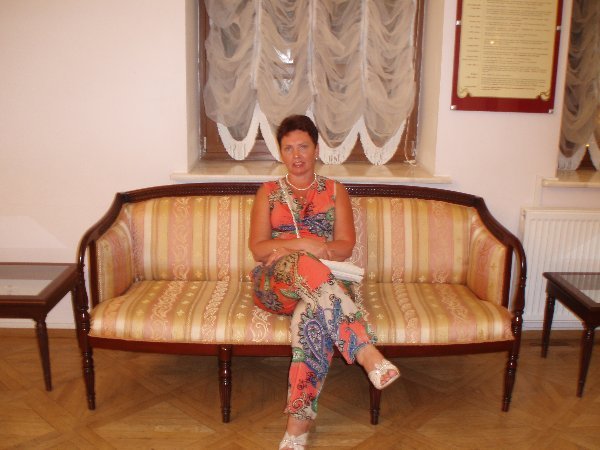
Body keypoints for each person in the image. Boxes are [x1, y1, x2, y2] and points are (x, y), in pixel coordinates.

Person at [249, 115, 400, 450]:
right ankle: (365, 351)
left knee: (312, 317)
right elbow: (258, 248)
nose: (296, 154)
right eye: (288, 148)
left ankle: (297, 427)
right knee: (303, 263)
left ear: (316, 149)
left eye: (303, 146)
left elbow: (345, 246)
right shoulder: (268, 192)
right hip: (276, 284)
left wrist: (306, 249)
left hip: (325, 282)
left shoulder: (335, 191)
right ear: (281, 152)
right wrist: (305, 246)